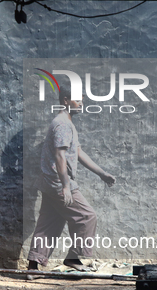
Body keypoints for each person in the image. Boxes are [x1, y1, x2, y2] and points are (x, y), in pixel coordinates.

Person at [27, 89, 116, 274]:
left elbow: (77, 152)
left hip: (50, 182)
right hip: (58, 183)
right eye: (77, 100)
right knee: (87, 216)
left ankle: (33, 266)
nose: (81, 103)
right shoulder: (62, 125)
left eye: (82, 99)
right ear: (66, 100)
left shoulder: (67, 123)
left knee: (49, 222)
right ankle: (73, 257)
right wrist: (66, 186)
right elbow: (60, 156)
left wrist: (101, 173)